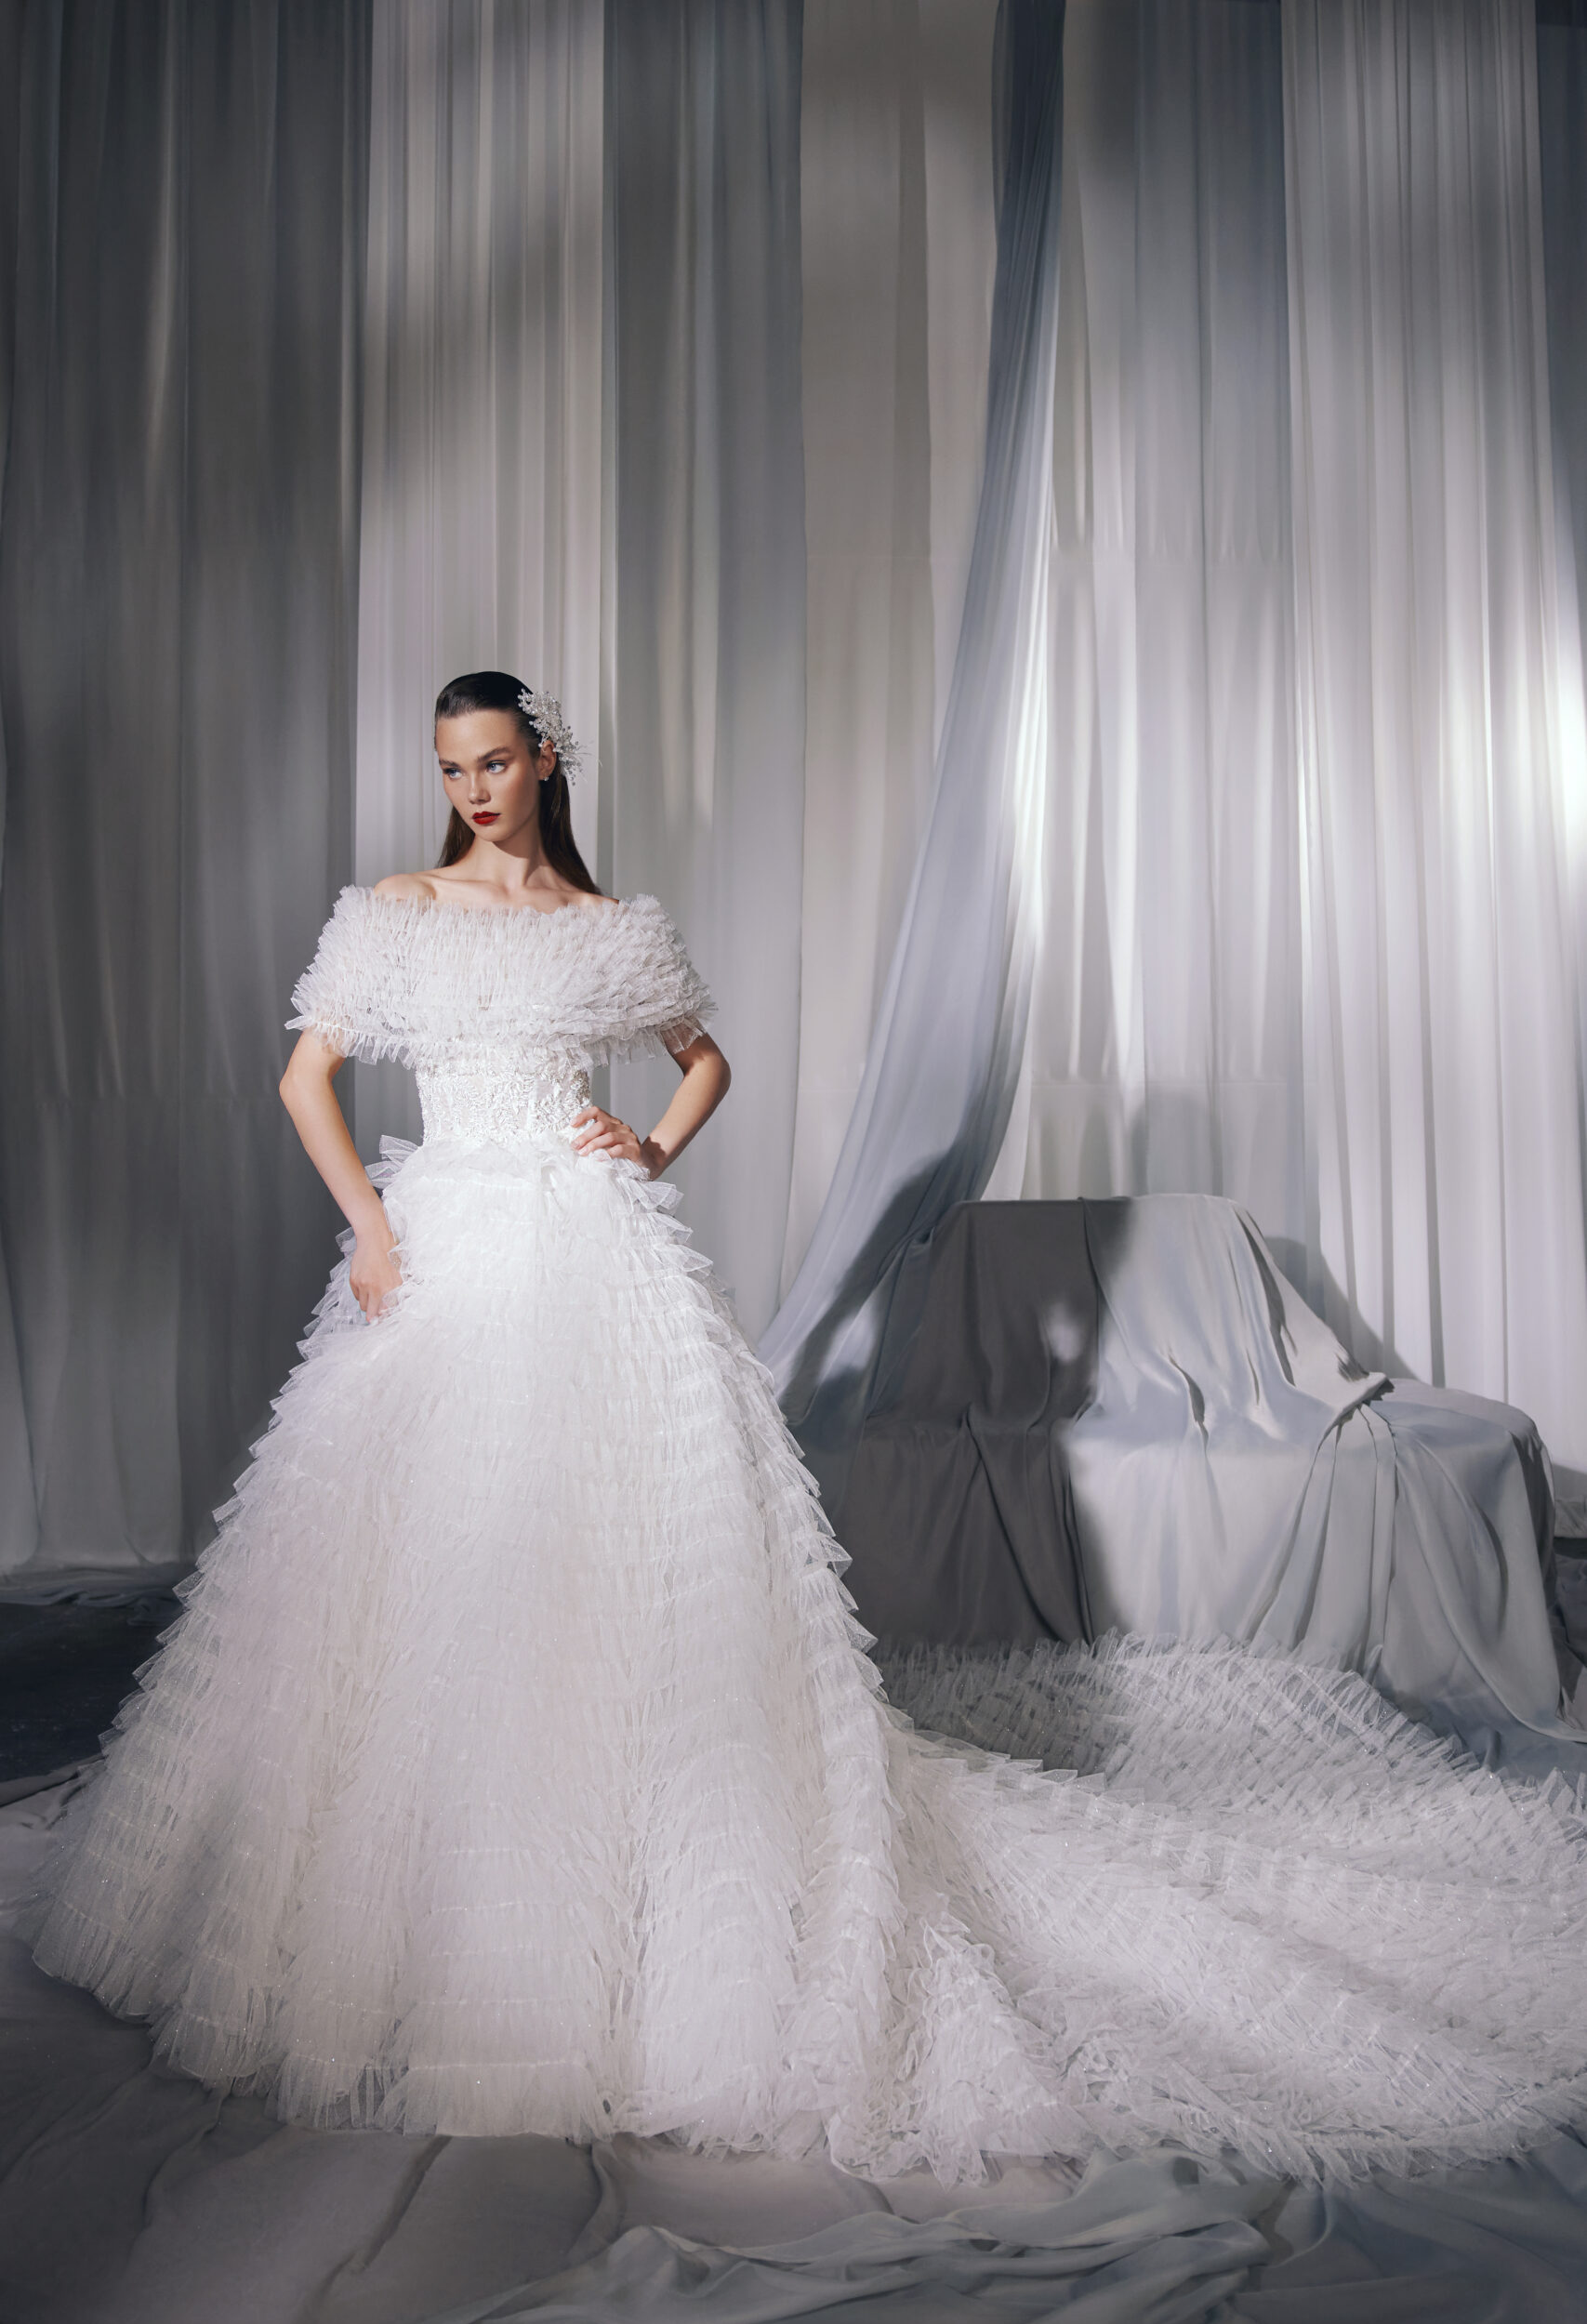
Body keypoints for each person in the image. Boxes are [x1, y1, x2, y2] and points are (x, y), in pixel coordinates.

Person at [21, 670, 1587, 2185]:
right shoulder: (397, 910)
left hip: (594, 1260)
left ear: (545, 760)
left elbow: (705, 1061)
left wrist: (646, 1146)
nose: (471, 790)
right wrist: (370, 1228)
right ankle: (413, 1920)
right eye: (450, 768)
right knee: (417, 1576)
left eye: (493, 761)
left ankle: (621, 1922)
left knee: (615, 1584)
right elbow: (307, 1079)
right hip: (440, 1255)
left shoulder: (610, 927)